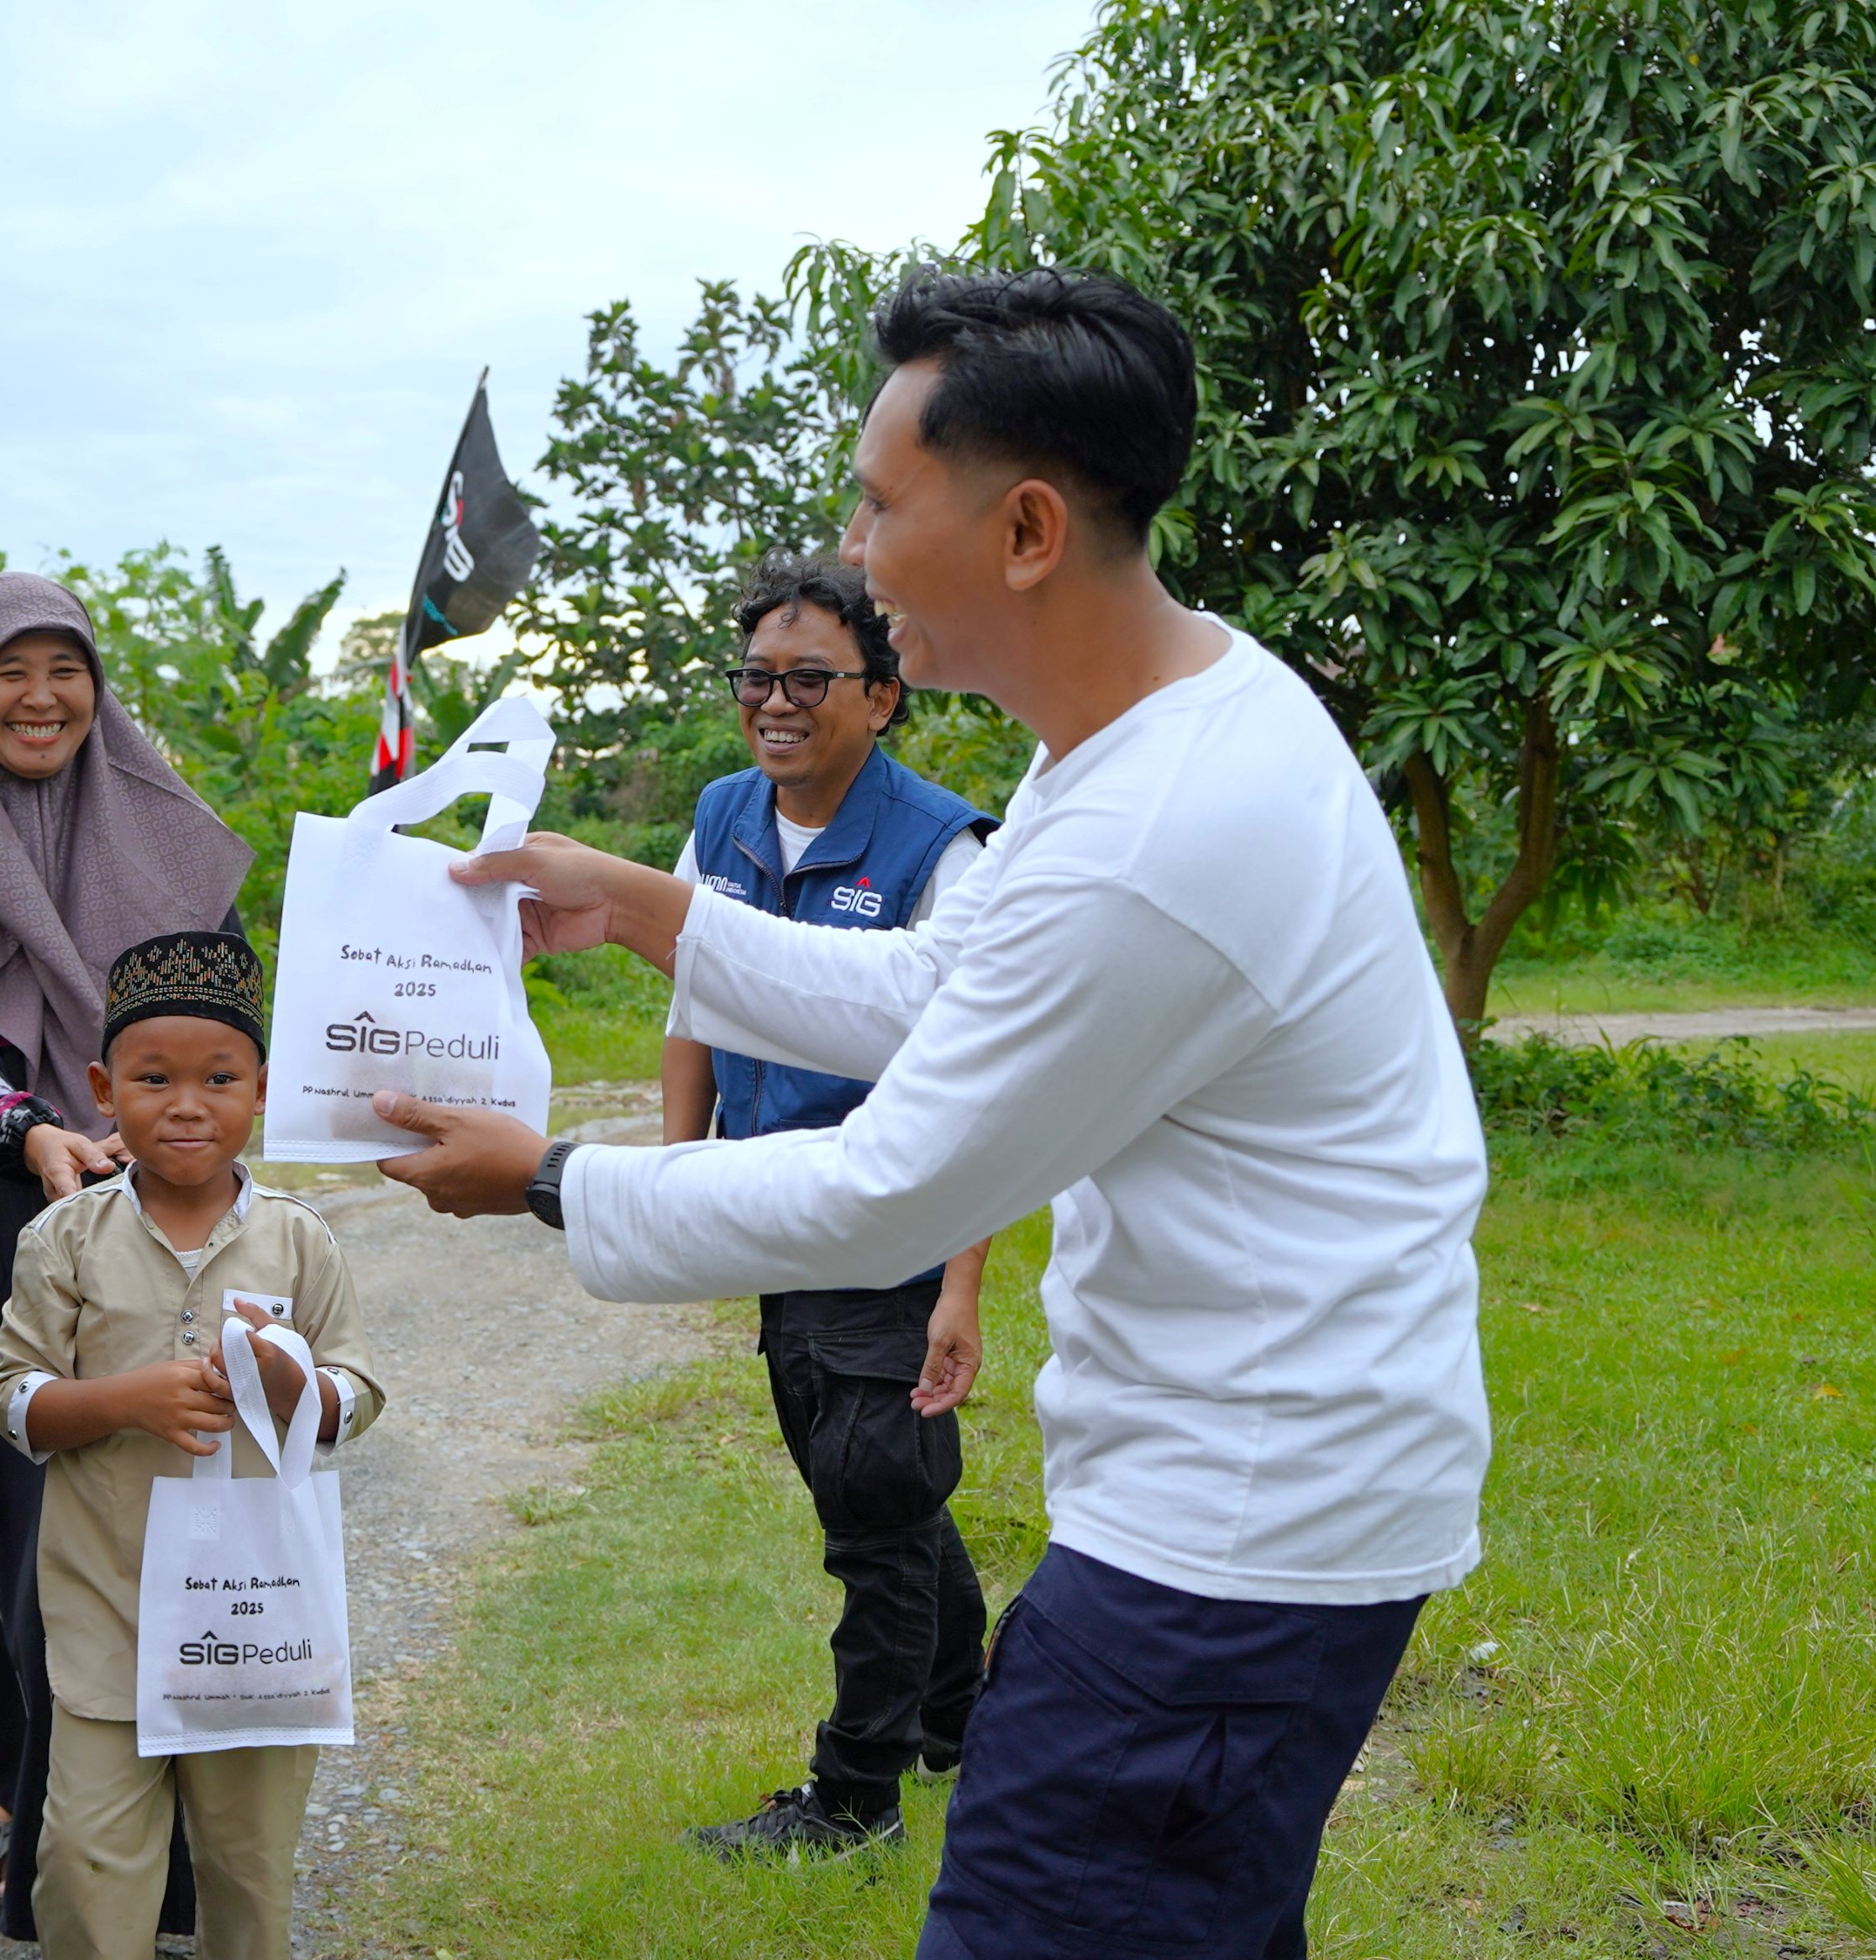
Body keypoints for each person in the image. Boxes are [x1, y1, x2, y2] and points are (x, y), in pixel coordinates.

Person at [372, 268, 1490, 1959]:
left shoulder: (1162, 823)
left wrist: (556, 1180)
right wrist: (649, 905)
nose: (859, 543)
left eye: (882, 502)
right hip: (1261, 1493)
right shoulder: (1129, 734)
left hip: (1239, 1531)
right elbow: (942, 996)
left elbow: (889, 1188)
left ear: (1027, 527)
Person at [0, 571, 252, 1931]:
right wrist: (30, 1128)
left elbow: (229, 1009)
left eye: (64, 667)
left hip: (164, 1204)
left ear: (96, 680)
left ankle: (178, 1814)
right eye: (8, 671)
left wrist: (178, 1127)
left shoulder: (173, 832)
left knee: (160, 1492)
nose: (40, 697)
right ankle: (9, 1782)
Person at [665, 551, 999, 1860]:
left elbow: (988, 1086)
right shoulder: (724, 815)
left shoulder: (947, 849)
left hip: (892, 1226)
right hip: (769, 1219)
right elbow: (694, 1000)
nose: (779, 700)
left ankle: (855, 1795)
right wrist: (676, 1179)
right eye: (758, 676)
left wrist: (962, 1282)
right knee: (875, 1484)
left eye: (813, 676)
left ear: (885, 693)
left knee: (872, 1505)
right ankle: (967, 1718)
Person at [0, 928, 381, 1960]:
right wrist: (122, 1398)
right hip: (110, 1609)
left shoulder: (298, 1236)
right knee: (84, 1860)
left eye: (218, 1076)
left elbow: (356, 1390)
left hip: (257, 1620)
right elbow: (15, 1399)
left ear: (261, 1086)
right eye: (152, 1077)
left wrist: (298, 1382)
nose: (187, 1102)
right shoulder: (64, 1237)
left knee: (248, 1869)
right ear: (101, 1087)